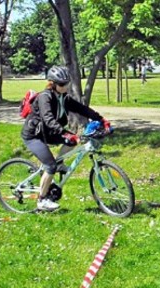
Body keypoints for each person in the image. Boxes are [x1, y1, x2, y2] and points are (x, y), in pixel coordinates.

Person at [21, 66, 111, 211]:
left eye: (67, 83)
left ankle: (59, 162)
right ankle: (42, 200)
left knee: (72, 142)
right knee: (50, 166)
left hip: (49, 132)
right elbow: (48, 119)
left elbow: (82, 109)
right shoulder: (45, 97)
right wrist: (65, 133)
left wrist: (101, 119)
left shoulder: (63, 97)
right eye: (62, 84)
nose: (65, 86)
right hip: (34, 135)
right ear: (52, 84)